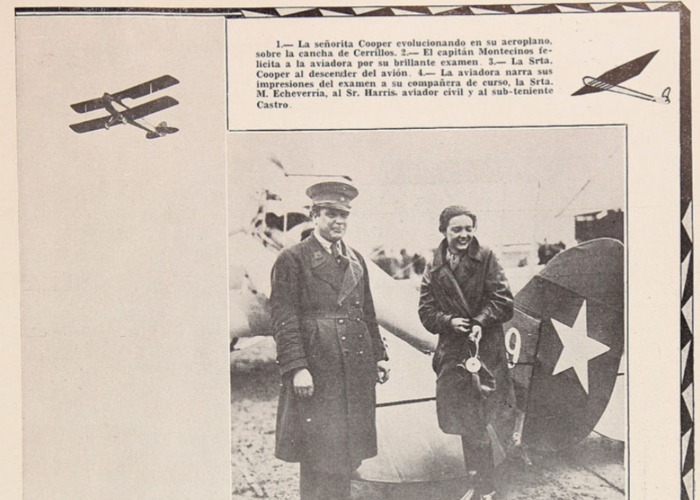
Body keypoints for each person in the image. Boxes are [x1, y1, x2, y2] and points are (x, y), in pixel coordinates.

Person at [270, 181, 390, 500]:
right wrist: (297, 367)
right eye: (331, 214)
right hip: (319, 368)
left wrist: (378, 355)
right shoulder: (292, 259)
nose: (339, 221)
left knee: (348, 452)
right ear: (314, 215)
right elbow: (284, 319)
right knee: (318, 454)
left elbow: (367, 310)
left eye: (344, 215)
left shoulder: (356, 260)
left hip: (354, 367)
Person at [418, 206, 514, 500]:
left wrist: (480, 322)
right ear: (444, 231)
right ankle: (479, 480)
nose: (463, 235)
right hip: (453, 353)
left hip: (484, 351)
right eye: (456, 229)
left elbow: (504, 301)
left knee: (482, 418)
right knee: (463, 419)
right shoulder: (434, 265)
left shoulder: (487, 258)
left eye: (468, 228)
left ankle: (488, 486)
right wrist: (449, 321)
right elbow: (425, 310)